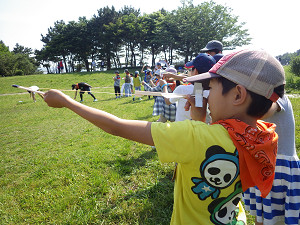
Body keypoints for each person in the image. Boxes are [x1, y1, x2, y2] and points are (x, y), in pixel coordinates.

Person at [44, 49, 285, 225]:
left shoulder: (196, 136)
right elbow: (217, 145)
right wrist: (200, 121)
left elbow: (116, 126)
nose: (206, 96)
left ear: (238, 95)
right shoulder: (264, 135)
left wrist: (66, 102)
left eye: (210, 88)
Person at [243, 95, 300, 225]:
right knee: (262, 216)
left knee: (282, 218)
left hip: (280, 168)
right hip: (265, 166)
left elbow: (261, 113)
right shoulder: (258, 97)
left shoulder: (280, 98)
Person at [163, 53, 216, 122]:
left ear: (195, 71)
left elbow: (168, 101)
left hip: (183, 130)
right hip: (203, 129)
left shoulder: (182, 89)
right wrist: (175, 76)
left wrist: (164, 86)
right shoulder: (215, 91)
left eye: (190, 69)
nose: (189, 72)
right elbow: (198, 82)